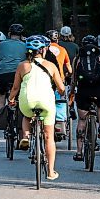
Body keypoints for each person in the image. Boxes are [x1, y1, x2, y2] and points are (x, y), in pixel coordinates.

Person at [8, 35, 65, 181]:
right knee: (49, 137)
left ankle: (25, 136)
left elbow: (15, 87)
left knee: (27, 115)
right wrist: (63, 94)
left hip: (28, 101)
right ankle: (51, 171)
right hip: (46, 102)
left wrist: (11, 99)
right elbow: (61, 88)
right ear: (43, 50)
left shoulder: (22, 66)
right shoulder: (50, 66)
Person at [69, 35, 100, 161]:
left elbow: (74, 80)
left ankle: (79, 152)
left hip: (84, 92)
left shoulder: (77, 60)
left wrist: (71, 92)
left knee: (82, 120)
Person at [0, 23, 26, 110]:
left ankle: (1, 114)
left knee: (0, 94)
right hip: (19, 75)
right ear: (22, 35)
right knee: (21, 93)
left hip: (2, 74)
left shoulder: (0, 45)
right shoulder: (25, 46)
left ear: (9, 34)